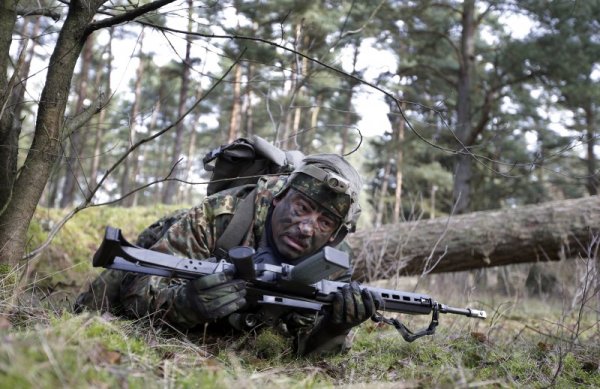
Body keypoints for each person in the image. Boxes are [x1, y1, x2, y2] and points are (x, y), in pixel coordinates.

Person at [75, 154, 378, 355]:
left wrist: (336, 327)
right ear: (280, 197)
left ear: (335, 234)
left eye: (324, 222)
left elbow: (310, 355)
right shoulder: (223, 215)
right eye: (302, 208)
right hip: (176, 299)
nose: (307, 228)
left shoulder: (333, 264)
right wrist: (184, 303)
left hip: (238, 344)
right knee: (111, 287)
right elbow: (138, 290)